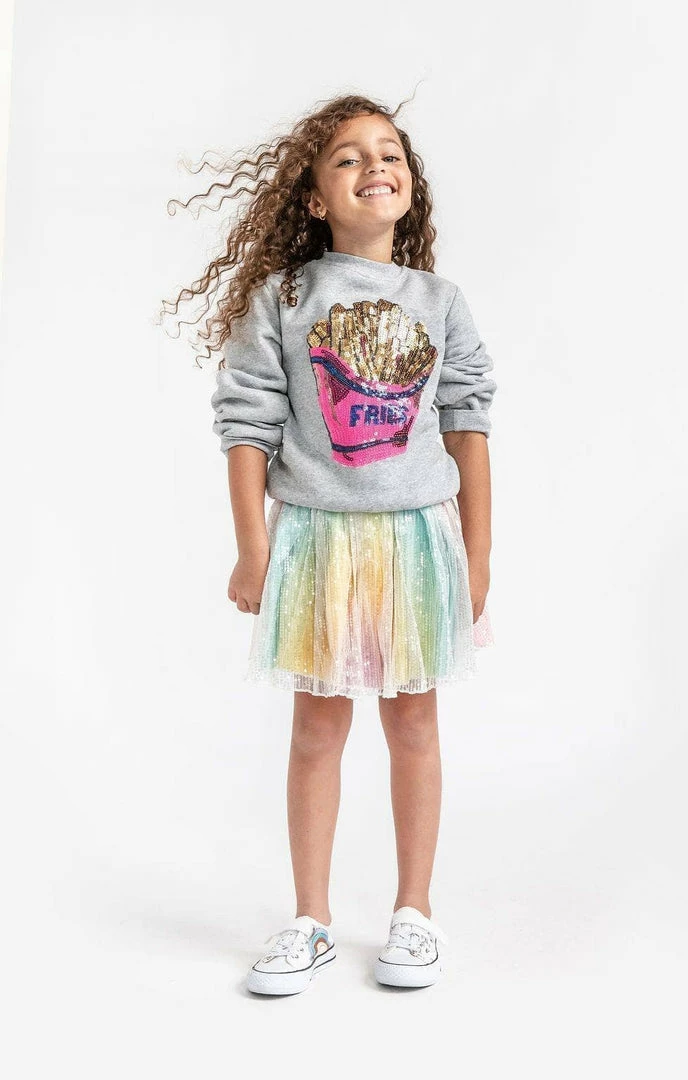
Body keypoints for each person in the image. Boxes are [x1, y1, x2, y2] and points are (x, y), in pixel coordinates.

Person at [199, 93, 497, 993]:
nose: (376, 165)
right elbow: (247, 426)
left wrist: (478, 555)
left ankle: (415, 913)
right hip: (315, 541)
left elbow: (467, 425)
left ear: (410, 184)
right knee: (317, 729)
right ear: (314, 197)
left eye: (390, 153)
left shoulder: (440, 301)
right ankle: (310, 919)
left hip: (417, 538)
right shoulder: (284, 298)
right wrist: (252, 547)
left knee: (413, 722)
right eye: (348, 157)